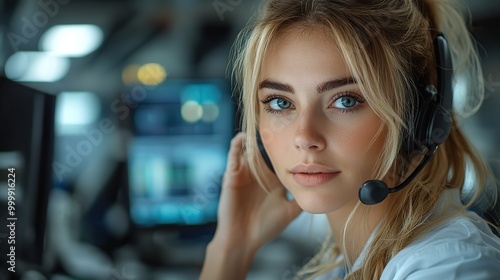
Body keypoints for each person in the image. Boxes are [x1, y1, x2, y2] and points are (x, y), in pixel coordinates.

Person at [200, 0, 500, 279]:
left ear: (418, 118)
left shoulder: (451, 265)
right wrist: (232, 246)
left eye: (345, 101)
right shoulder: (346, 261)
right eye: (280, 102)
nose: (305, 138)